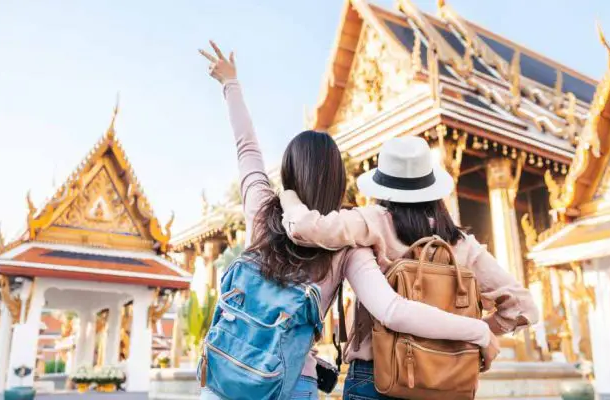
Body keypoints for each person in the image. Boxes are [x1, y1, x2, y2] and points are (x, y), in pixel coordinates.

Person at [199, 41, 501, 400]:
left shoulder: (262, 209)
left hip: (229, 368)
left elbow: (246, 147)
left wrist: (230, 83)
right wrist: (478, 331)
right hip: (292, 383)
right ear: (340, 180)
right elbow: (392, 310)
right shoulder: (347, 245)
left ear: (289, 172)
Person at [279, 136, 540, 399]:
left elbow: (304, 228)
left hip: (377, 376)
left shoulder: (373, 222)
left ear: (382, 186)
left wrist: (287, 195)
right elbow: (524, 308)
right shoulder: (462, 244)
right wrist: (465, 334)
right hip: (447, 380)